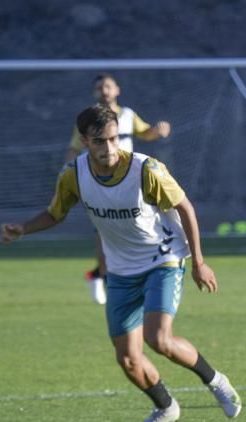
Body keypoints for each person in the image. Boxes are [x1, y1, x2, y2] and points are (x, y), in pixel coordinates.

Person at [1, 104, 240, 422]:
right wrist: (23, 229)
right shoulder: (73, 174)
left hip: (163, 259)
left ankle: (216, 381)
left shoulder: (146, 170)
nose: (109, 148)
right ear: (85, 141)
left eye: (114, 139)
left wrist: (198, 261)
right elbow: (55, 213)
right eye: (100, 141)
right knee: (128, 359)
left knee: (159, 339)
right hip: (121, 270)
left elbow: (185, 207)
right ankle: (166, 406)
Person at [65, 73, 172, 306]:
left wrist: (158, 129)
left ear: (117, 90)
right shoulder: (88, 120)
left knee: (136, 229)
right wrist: (70, 175)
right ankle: (107, 282)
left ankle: (105, 276)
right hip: (100, 183)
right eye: (99, 88)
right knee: (106, 234)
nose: (104, 91)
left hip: (130, 184)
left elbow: (146, 133)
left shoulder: (129, 116)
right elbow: (73, 148)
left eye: (108, 86)